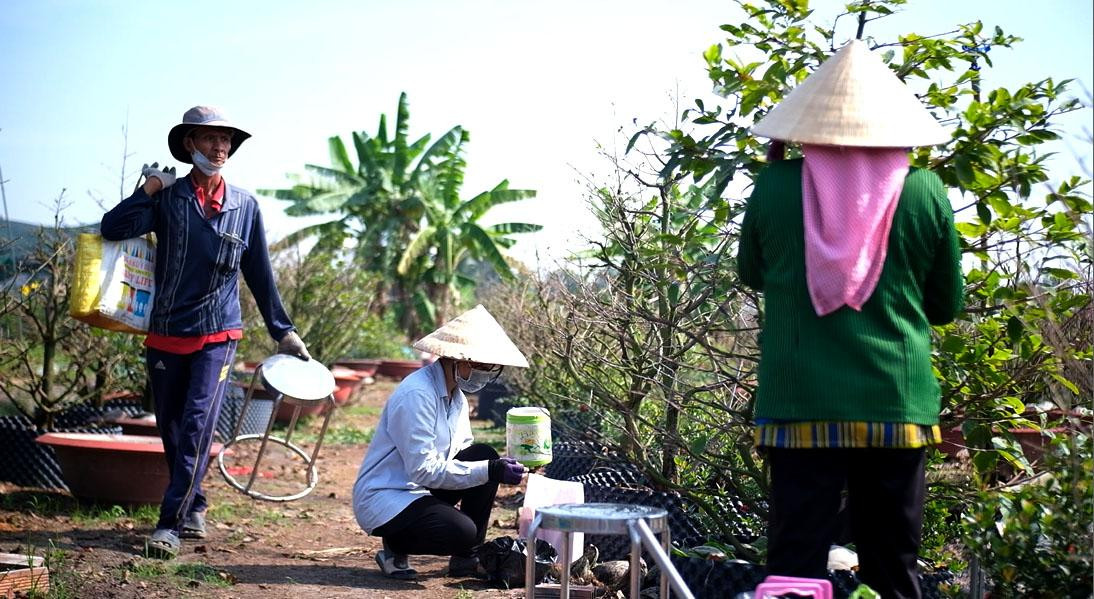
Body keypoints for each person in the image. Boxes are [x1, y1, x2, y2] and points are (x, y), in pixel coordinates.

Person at [737, 40, 964, 599]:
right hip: (895, 402)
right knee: (892, 566)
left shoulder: (774, 185)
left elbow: (752, 273)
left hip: (799, 400)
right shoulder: (925, 189)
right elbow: (945, 306)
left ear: (807, 126)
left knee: (793, 563)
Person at [100, 106, 310, 559]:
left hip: (218, 335)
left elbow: (260, 274)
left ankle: (169, 524)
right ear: (189, 144)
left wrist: (283, 331)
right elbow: (113, 228)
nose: (220, 148)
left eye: (226, 140)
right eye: (210, 139)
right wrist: (148, 188)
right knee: (173, 428)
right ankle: (194, 503)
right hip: (166, 332)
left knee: (197, 424)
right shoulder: (168, 200)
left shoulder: (244, 207)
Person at [352, 305, 529, 580]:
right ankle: (395, 544)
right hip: (388, 495)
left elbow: (462, 454)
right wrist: (490, 470)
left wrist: (495, 466)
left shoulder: (456, 397)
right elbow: (423, 469)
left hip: (423, 488)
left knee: (483, 454)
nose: (486, 374)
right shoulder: (417, 395)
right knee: (461, 531)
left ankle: (467, 559)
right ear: (460, 360)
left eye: (490, 369)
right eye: (483, 367)